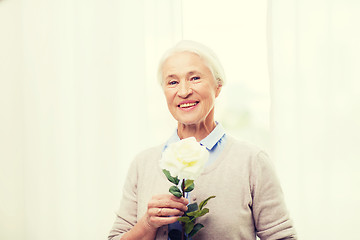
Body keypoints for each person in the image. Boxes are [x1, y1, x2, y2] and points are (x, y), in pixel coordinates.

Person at [108, 40, 297, 240]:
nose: (183, 92)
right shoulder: (143, 164)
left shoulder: (252, 161)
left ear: (218, 86)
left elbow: (282, 237)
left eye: (195, 78)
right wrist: (147, 223)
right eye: (172, 82)